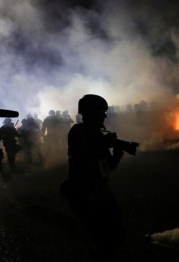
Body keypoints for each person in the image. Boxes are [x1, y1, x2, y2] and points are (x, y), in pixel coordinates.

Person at [61, 94, 126, 262]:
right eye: (101, 112)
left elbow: (107, 166)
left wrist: (117, 154)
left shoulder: (97, 134)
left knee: (115, 234)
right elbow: (82, 159)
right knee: (105, 237)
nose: (104, 116)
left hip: (100, 192)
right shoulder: (78, 132)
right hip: (85, 194)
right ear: (89, 113)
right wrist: (104, 143)